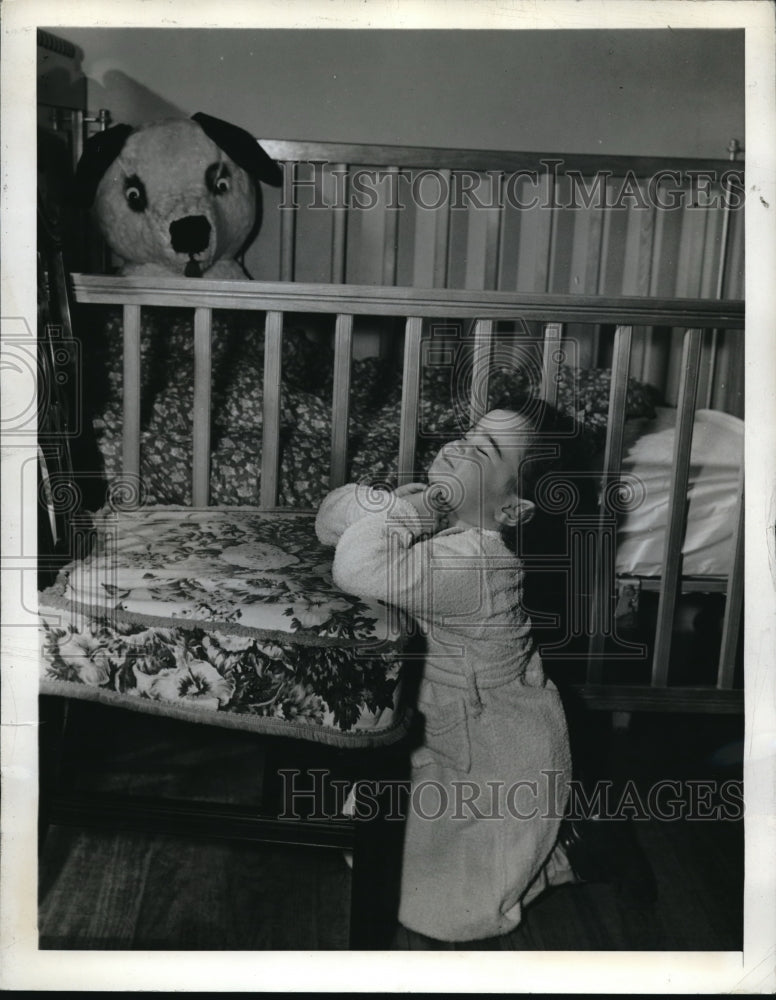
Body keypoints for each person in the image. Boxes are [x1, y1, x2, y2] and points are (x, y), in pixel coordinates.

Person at [315, 405, 579, 942]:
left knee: (461, 884)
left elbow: (356, 565)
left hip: (497, 744)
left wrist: (405, 515)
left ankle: (575, 850)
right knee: (396, 836)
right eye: (467, 434)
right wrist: (393, 504)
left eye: (483, 451)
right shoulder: (450, 523)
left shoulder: (478, 564)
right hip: (448, 717)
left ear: (514, 509)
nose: (458, 446)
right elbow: (328, 520)